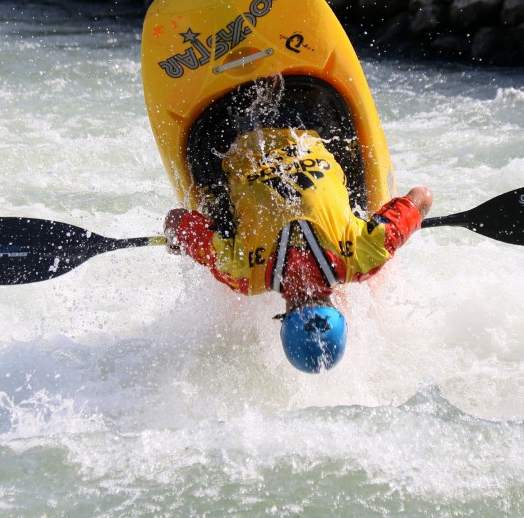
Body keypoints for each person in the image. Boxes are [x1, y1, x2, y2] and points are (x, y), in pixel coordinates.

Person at [164, 93, 432, 374]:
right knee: (222, 220)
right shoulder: (244, 272)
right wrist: (178, 239)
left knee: (354, 199)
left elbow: (422, 196)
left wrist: (400, 225)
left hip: (308, 113)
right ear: (283, 323)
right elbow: (176, 218)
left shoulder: (365, 254)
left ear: (339, 314)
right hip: (221, 129)